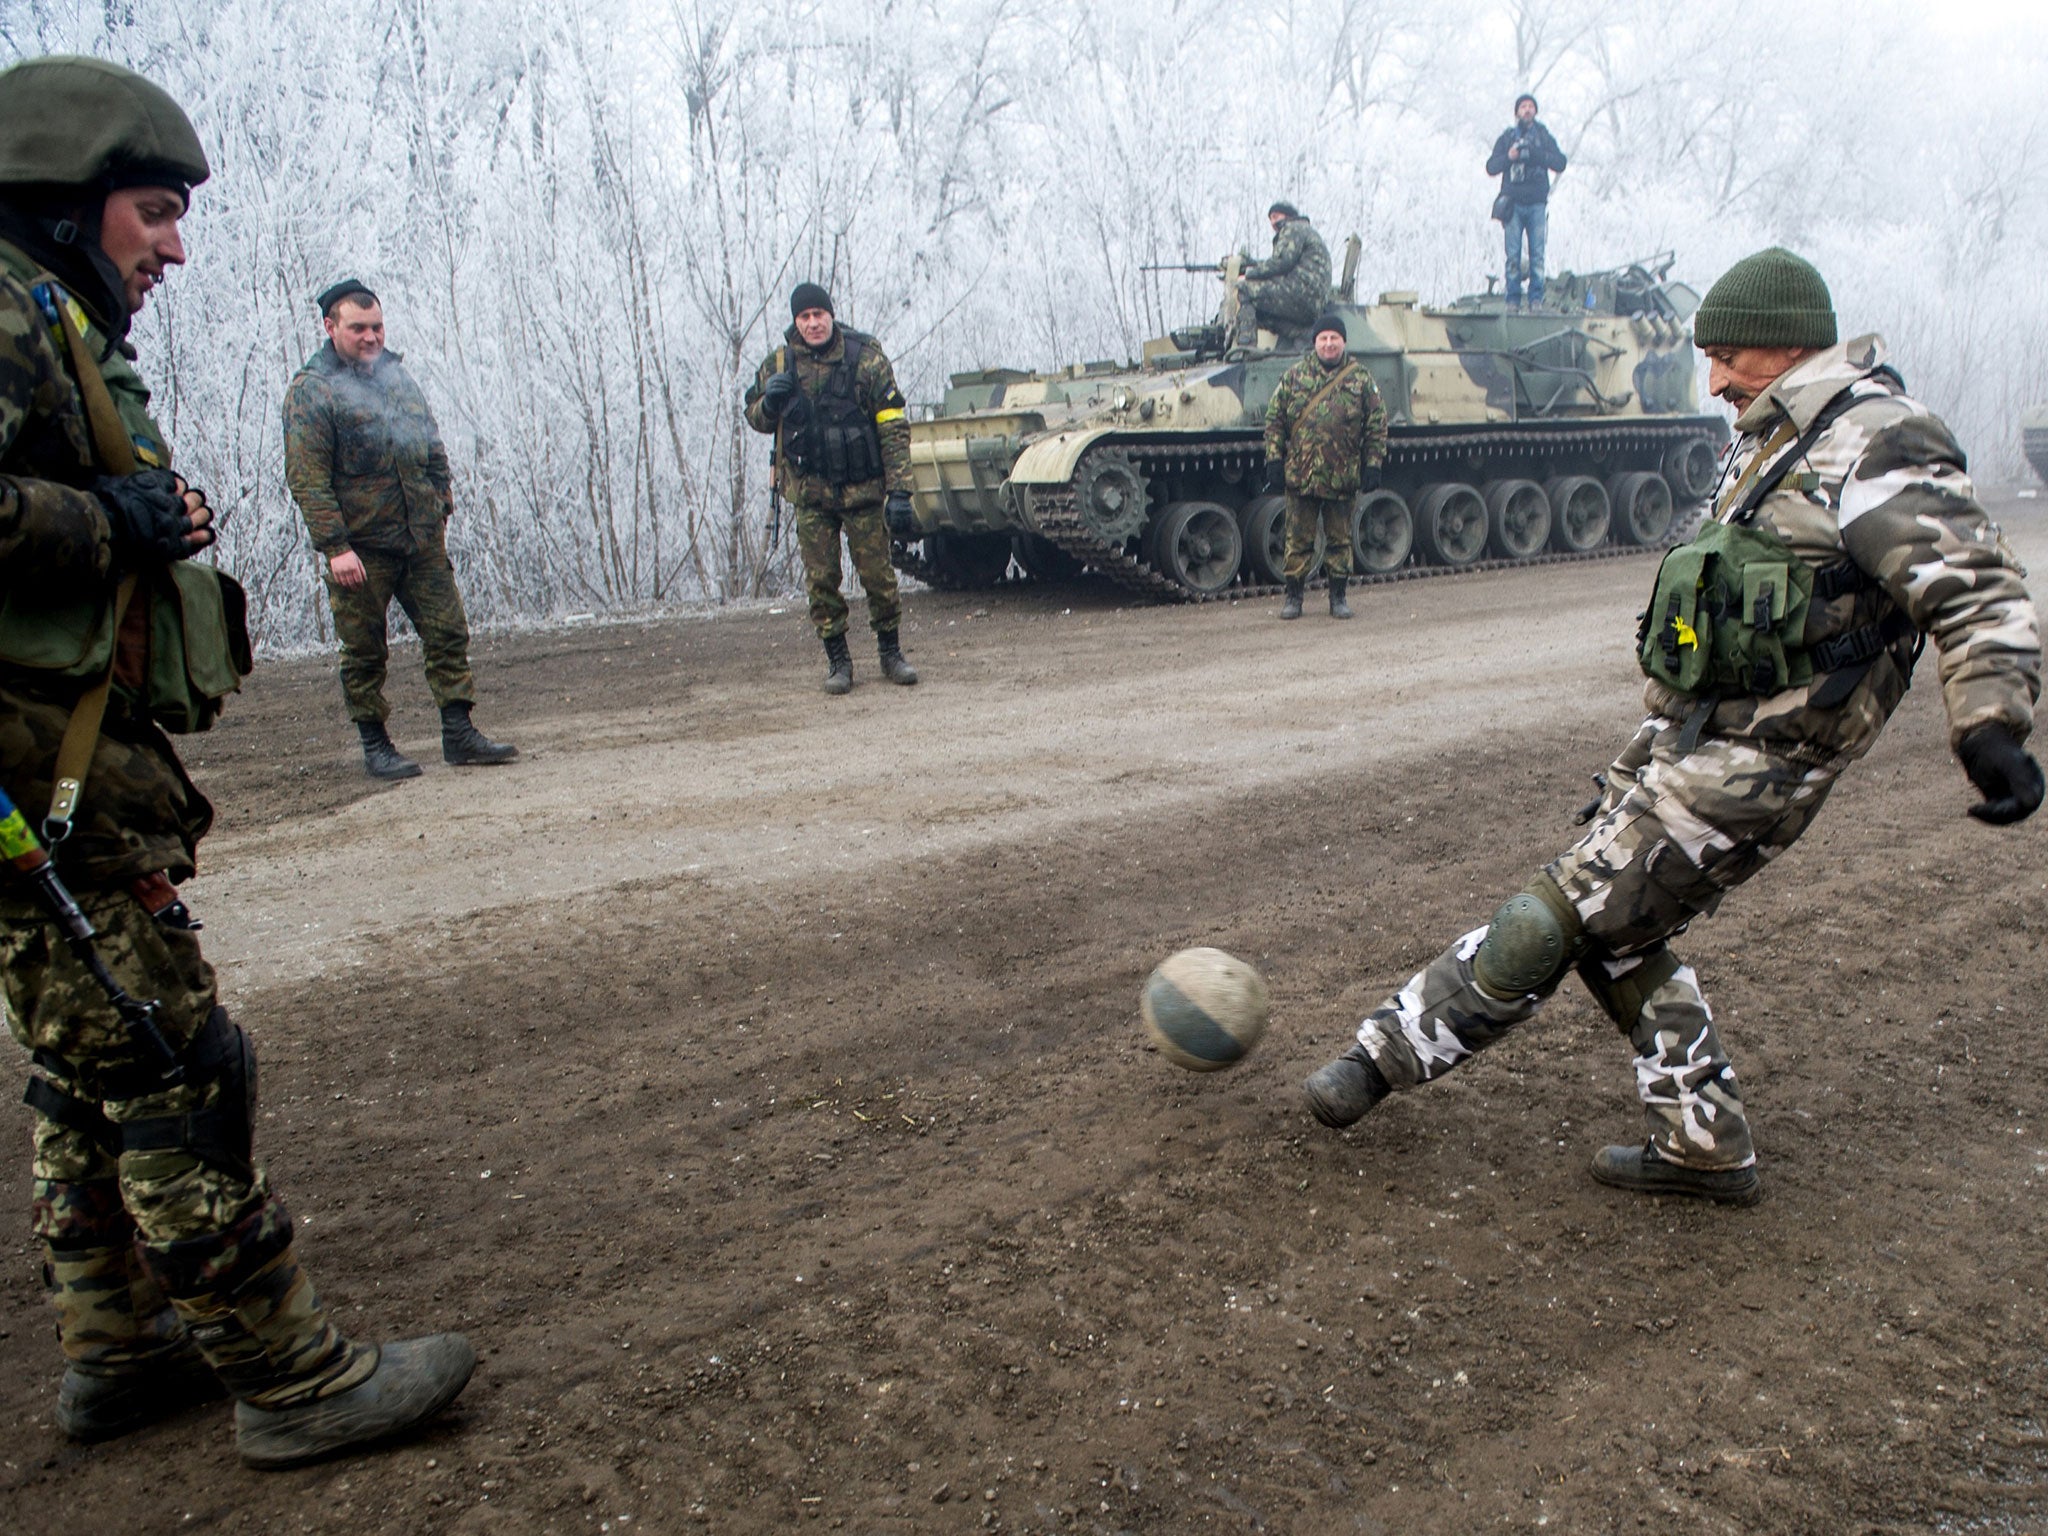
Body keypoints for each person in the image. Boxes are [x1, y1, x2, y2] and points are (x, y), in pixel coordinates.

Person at [1301, 247, 2042, 1205]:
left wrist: (1991, 724)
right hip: (1693, 737)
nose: (1714, 379)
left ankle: (1376, 1059)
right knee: (1617, 934)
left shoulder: (1875, 440)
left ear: (1784, 345)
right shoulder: (1773, 440)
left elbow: (1976, 587)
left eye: (1728, 356)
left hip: (1770, 760)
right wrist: (1641, 753)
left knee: (1556, 916)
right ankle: (1704, 1143)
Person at [0, 56, 473, 1466]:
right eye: (152, 210)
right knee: (175, 1057)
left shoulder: (45, 318)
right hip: (37, 779)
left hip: (60, 768)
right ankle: (287, 1374)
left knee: (87, 1061)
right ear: (63, 201)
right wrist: (109, 525)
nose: (174, 243)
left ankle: (116, 1347)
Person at [283, 280, 517, 779]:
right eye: (358, 328)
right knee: (365, 647)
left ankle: (459, 732)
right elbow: (307, 477)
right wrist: (335, 547)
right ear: (331, 328)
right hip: (362, 549)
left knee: (448, 632)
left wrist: (441, 502)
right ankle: (376, 743)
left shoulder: (397, 378)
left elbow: (430, 445)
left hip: (419, 538)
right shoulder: (313, 391)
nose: (371, 337)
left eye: (377, 327)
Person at [744, 282, 920, 694]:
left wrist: (900, 491)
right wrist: (769, 403)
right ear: (796, 322)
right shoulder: (780, 365)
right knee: (821, 582)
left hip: (862, 491)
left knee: (878, 577)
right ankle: (838, 661)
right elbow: (754, 416)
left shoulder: (865, 358)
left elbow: (893, 426)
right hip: (811, 493)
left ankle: (891, 653)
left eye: (818, 315)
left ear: (830, 315)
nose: (812, 323)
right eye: (804, 317)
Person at [1263, 313, 1387, 621]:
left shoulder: (1360, 379)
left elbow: (1376, 425)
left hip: (1342, 475)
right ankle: (1293, 598)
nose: (1329, 344)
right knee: (1297, 540)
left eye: (1334, 338)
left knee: (1339, 540)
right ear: (1315, 342)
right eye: (1323, 338)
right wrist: (1274, 459)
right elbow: (1275, 421)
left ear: (1343, 341)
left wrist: (1373, 463)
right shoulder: (1294, 376)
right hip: (1301, 474)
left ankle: (1338, 597)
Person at [1485, 94, 1567, 311]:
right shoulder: (1507, 138)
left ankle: (1535, 299)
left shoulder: (1543, 136)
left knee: (1537, 255)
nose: (1527, 110)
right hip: (1513, 204)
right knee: (1512, 255)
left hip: (1537, 204)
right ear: (1517, 112)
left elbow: (1560, 162)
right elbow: (1491, 167)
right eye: (1523, 106)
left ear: (1535, 111)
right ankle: (1512, 299)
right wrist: (1510, 157)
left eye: (1531, 106)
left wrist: (1536, 154)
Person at [1229, 201, 1332, 350]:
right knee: (1261, 312)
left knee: (1244, 290)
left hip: (1300, 292)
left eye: (1275, 216)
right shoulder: (1307, 231)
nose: (1273, 222)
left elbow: (1282, 262)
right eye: (1270, 218)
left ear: (1288, 215)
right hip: (1312, 302)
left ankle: (1246, 347)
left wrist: (1249, 275)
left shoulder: (1293, 228)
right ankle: (1302, 333)